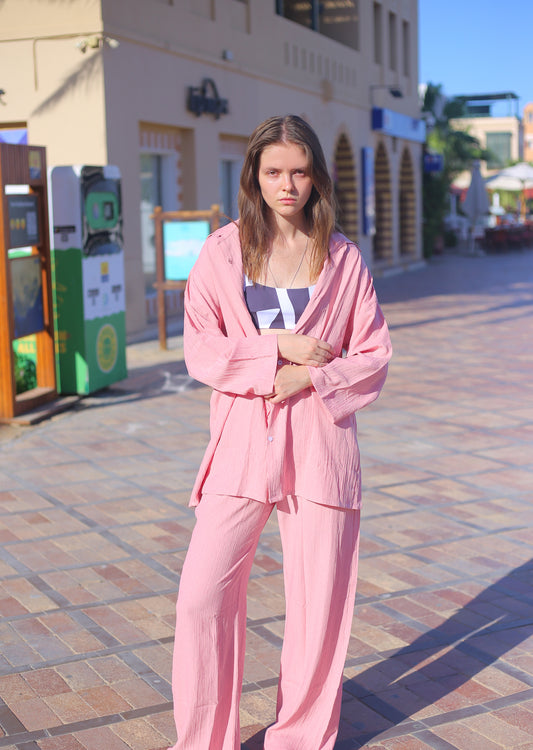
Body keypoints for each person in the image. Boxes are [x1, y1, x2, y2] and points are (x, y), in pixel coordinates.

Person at [168, 115, 392, 750]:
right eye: (273, 172)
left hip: (321, 450)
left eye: (298, 171)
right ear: (254, 177)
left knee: (319, 608)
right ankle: (204, 740)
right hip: (241, 446)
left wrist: (310, 381)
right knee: (201, 596)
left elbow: (373, 355)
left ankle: (299, 738)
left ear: (316, 176)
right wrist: (276, 352)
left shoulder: (344, 259)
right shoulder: (221, 251)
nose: (286, 184)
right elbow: (202, 349)